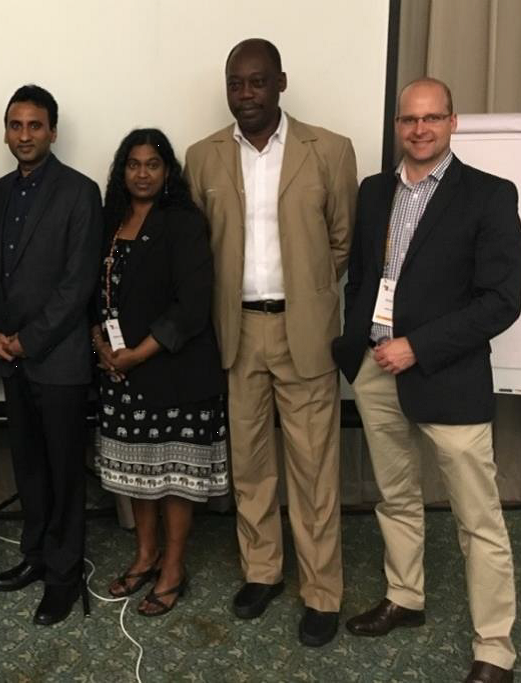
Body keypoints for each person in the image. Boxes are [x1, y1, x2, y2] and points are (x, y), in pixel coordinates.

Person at [333, 77, 521, 683]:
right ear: (398, 125)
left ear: (453, 122)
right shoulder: (371, 192)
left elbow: (501, 300)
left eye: (432, 118)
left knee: (478, 520)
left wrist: (418, 346)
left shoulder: (490, 195)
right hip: (375, 369)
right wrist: (362, 343)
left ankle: (494, 648)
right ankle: (404, 596)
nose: (420, 130)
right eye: (410, 120)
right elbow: (363, 276)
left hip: (449, 375)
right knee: (395, 496)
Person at [184, 38, 358, 646]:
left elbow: (342, 243)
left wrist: (307, 295)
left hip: (303, 330)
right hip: (236, 331)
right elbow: (197, 251)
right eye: (236, 83)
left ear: (281, 82)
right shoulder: (201, 157)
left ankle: (321, 591)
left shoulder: (329, 150)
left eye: (257, 82)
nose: (246, 94)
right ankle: (262, 571)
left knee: (314, 470)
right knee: (251, 466)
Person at [93, 128, 228, 617]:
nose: (142, 173)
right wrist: (101, 344)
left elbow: (192, 306)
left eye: (153, 164)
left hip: (175, 373)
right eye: (133, 164)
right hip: (123, 374)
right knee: (138, 474)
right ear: (121, 170)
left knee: (171, 479)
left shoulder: (182, 221)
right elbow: (97, 294)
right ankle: (145, 556)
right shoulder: (112, 220)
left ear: (167, 170)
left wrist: (137, 353)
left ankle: (173, 569)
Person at [0, 85, 102, 625]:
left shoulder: (80, 192)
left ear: (52, 131)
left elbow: (77, 285)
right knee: (27, 467)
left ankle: (64, 575)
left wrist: (28, 340)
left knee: (61, 473)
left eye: (34, 126)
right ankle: (35, 556)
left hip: (57, 362)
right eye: (15, 125)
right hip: (9, 358)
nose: (24, 135)